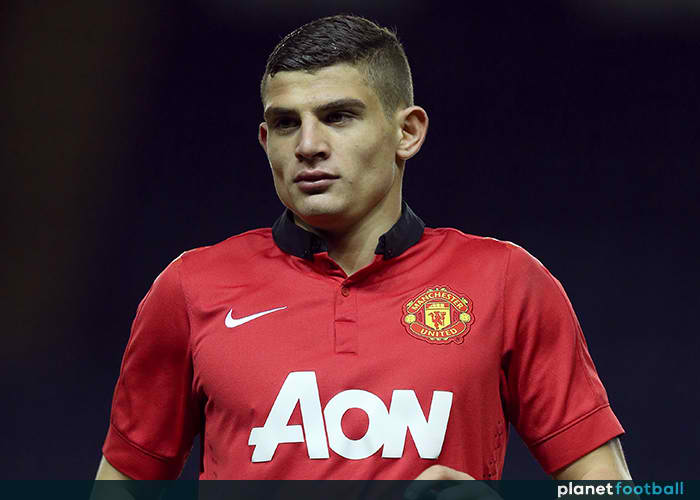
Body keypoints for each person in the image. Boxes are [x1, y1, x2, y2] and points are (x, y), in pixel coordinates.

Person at [95, 15, 631, 481]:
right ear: (265, 142)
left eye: (338, 116)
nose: (308, 146)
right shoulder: (191, 288)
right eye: (286, 124)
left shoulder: (507, 283)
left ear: (408, 132)